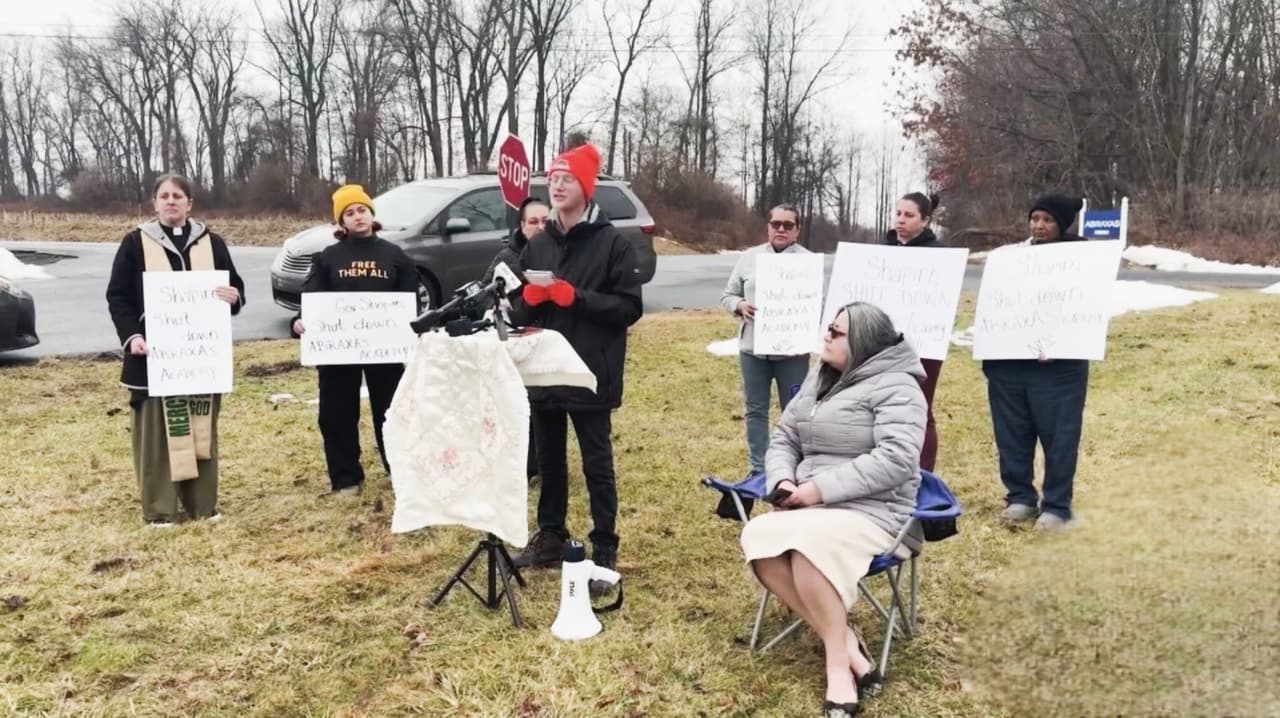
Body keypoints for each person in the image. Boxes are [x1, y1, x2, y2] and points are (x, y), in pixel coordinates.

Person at [740, 302, 927, 718]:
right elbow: (785, 438)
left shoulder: (899, 386)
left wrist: (818, 491)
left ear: (862, 343)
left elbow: (897, 459)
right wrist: (784, 482)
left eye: (837, 332)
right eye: (829, 328)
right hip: (811, 503)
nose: (827, 336)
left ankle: (838, 669)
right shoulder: (819, 377)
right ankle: (847, 645)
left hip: (876, 511)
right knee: (758, 538)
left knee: (808, 548)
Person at [506, 143, 643, 592]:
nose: (558, 185)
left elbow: (629, 307)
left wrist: (577, 297)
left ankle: (604, 542)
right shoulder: (539, 244)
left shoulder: (612, 244)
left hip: (590, 369)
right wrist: (526, 301)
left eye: (567, 179)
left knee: (596, 460)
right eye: (553, 179)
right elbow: (518, 313)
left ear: (585, 187)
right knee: (549, 457)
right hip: (544, 371)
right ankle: (550, 534)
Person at [106, 174, 246, 526]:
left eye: (178, 196)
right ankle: (160, 508)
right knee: (158, 434)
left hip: (200, 358)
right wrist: (131, 336)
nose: (171, 201)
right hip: (153, 359)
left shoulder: (211, 242)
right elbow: (118, 297)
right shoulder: (134, 243)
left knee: (201, 429)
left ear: (189, 203)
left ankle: (202, 504)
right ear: (154, 203)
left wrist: (234, 296)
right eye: (164, 196)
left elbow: (234, 286)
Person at [292, 184, 419, 496]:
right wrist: (301, 321)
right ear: (341, 223)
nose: (357, 216)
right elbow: (312, 298)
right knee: (336, 413)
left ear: (371, 215)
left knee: (391, 412)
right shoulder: (327, 258)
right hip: (339, 352)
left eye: (361, 209)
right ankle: (346, 477)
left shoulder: (395, 256)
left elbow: (410, 300)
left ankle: (400, 469)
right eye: (349, 213)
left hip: (385, 350)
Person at [984, 193, 1089, 531]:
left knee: (1059, 436)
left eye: (1047, 220)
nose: (1039, 226)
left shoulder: (1083, 260)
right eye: (1035, 219)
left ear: (1062, 225)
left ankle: (1057, 506)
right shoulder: (1012, 259)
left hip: (1058, 368)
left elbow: (1086, 311)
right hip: (1012, 362)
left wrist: (1063, 340)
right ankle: (1020, 497)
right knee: (1012, 432)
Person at [720, 203, 813, 480]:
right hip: (753, 350)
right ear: (768, 227)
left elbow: (816, 304)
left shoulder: (808, 262)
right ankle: (759, 467)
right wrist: (739, 305)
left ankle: (793, 465)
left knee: (794, 411)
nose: (781, 229)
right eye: (776, 224)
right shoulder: (749, 258)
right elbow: (727, 295)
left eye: (788, 225)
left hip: (792, 354)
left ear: (797, 230)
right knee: (755, 410)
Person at [484, 196, 550, 484]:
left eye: (545, 221)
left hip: (552, 338)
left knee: (549, 405)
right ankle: (528, 465)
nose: (539, 227)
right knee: (523, 403)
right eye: (533, 221)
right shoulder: (507, 259)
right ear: (522, 226)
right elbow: (487, 295)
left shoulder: (563, 251)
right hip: (518, 340)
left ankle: (546, 463)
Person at [883, 191, 945, 472]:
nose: (901, 220)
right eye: (898, 214)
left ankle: (923, 475)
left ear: (925, 221)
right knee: (882, 408)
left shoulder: (939, 255)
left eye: (909, 215)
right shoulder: (881, 250)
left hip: (924, 345)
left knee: (921, 409)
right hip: (883, 345)